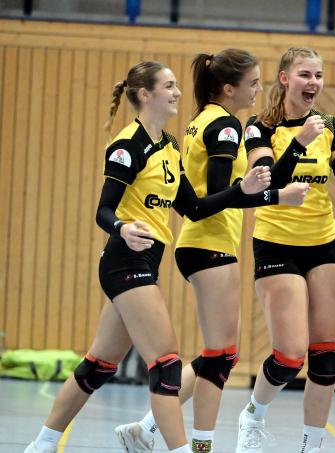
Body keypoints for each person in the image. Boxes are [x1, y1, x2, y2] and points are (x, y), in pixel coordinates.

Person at [24, 61, 271, 453]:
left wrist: (250, 191)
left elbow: (196, 207)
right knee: (167, 361)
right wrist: (122, 227)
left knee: (100, 364)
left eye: (175, 86)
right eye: (168, 86)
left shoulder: (169, 146)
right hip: (124, 260)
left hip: (147, 263)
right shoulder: (128, 146)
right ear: (145, 95)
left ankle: (42, 443)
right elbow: (103, 210)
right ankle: (176, 449)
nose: (177, 93)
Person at [114, 49, 309, 453]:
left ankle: (148, 429)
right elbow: (222, 195)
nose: (258, 90)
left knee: (219, 353)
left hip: (202, 242)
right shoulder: (224, 125)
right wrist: (277, 196)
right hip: (210, 243)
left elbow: (220, 193)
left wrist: (267, 189)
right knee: (221, 356)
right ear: (228, 88)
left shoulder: (202, 120)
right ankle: (199, 446)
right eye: (252, 84)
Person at [233, 46, 335, 453]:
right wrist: (299, 143)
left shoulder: (328, 124)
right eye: (306, 75)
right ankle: (253, 414)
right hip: (276, 242)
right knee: (290, 356)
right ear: (286, 78)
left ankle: (312, 445)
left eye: (319, 76)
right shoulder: (259, 126)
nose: (314, 84)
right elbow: (267, 180)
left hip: (323, 242)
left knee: (326, 354)